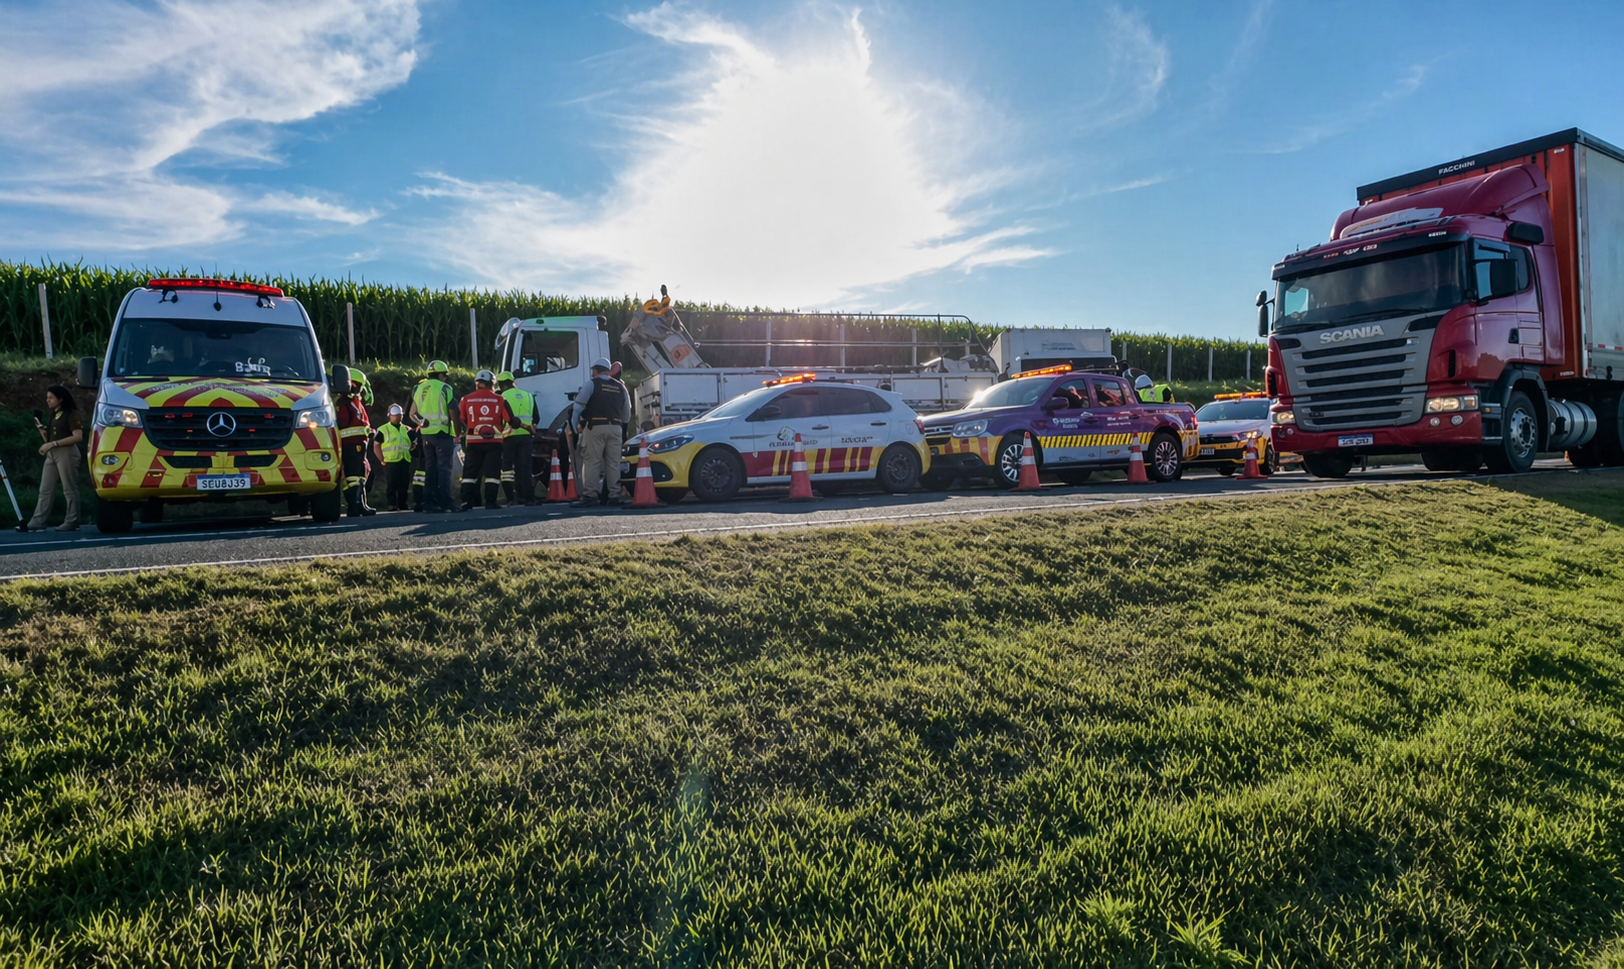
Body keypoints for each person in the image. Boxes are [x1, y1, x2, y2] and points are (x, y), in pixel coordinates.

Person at [570, 357, 631, 509]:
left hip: (595, 427)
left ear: (596, 371)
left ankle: (590, 495)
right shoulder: (621, 387)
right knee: (613, 463)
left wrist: (574, 426)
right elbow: (627, 415)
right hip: (616, 428)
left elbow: (577, 407)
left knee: (592, 461)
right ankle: (614, 496)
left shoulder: (591, 384)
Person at [27, 385, 83, 532]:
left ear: (61, 398)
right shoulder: (54, 414)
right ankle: (38, 520)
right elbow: (49, 438)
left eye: (51, 397)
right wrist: (42, 430)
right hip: (53, 452)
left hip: (67, 452)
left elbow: (77, 437)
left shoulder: (71, 414)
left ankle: (72, 520)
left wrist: (54, 443)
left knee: (69, 488)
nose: (48, 400)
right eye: (47, 398)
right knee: (45, 489)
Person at [457, 369, 513, 510]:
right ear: (492, 384)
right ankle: (490, 502)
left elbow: (462, 418)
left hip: (473, 442)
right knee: (492, 473)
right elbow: (510, 419)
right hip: (494, 442)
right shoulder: (500, 400)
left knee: (470, 473)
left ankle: (466, 502)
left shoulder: (466, 399)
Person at [410, 360, 457, 513]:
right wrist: (458, 432)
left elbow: (412, 413)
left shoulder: (418, 388)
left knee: (430, 469)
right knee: (444, 468)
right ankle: (446, 502)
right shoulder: (445, 388)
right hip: (443, 434)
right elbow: (453, 411)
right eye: (445, 375)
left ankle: (429, 502)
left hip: (426, 436)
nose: (446, 378)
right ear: (441, 374)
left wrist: (421, 422)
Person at [333, 366, 376, 517]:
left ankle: (361, 505)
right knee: (352, 478)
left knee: (360, 476)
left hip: (359, 444)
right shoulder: (343, 403)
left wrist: (368, 431)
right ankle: (353, 506)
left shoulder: (354, 402)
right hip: (351, 445)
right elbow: (344, 423)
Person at [497, 371, 537, 505]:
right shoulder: (529, 396)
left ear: (501, 385)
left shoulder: (501, 397)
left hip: (508, 436)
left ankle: (510, 497)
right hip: (526, 436)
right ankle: (528, 498)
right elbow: (536, 417)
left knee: (507, 468)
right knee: (525, 467)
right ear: (513, 382)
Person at [374, 403, 414, 511]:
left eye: (399, 415)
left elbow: (413, 443)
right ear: (389, 416)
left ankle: (402, 504)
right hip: (390, 461)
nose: (398, 417)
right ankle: (391, 504)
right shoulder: (383, 429)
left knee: (404, 483)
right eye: (395, 415)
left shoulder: (407, 429)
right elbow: (376, 445)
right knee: (392, 483)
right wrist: (381, 459)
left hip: (404, 459)